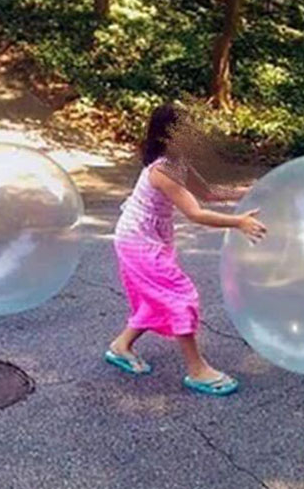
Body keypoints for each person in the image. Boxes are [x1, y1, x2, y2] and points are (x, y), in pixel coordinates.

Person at [105, 103, 266, 396]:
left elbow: (208, 192)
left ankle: (120, 346)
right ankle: (197, 370)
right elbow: (196, 213)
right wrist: (238, 222)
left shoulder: (177, 164)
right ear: (166, 137)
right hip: (137, 241)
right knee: (180, 297)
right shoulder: (163, 170)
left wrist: (250, 191)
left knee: (158, 296)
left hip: (152, 238)